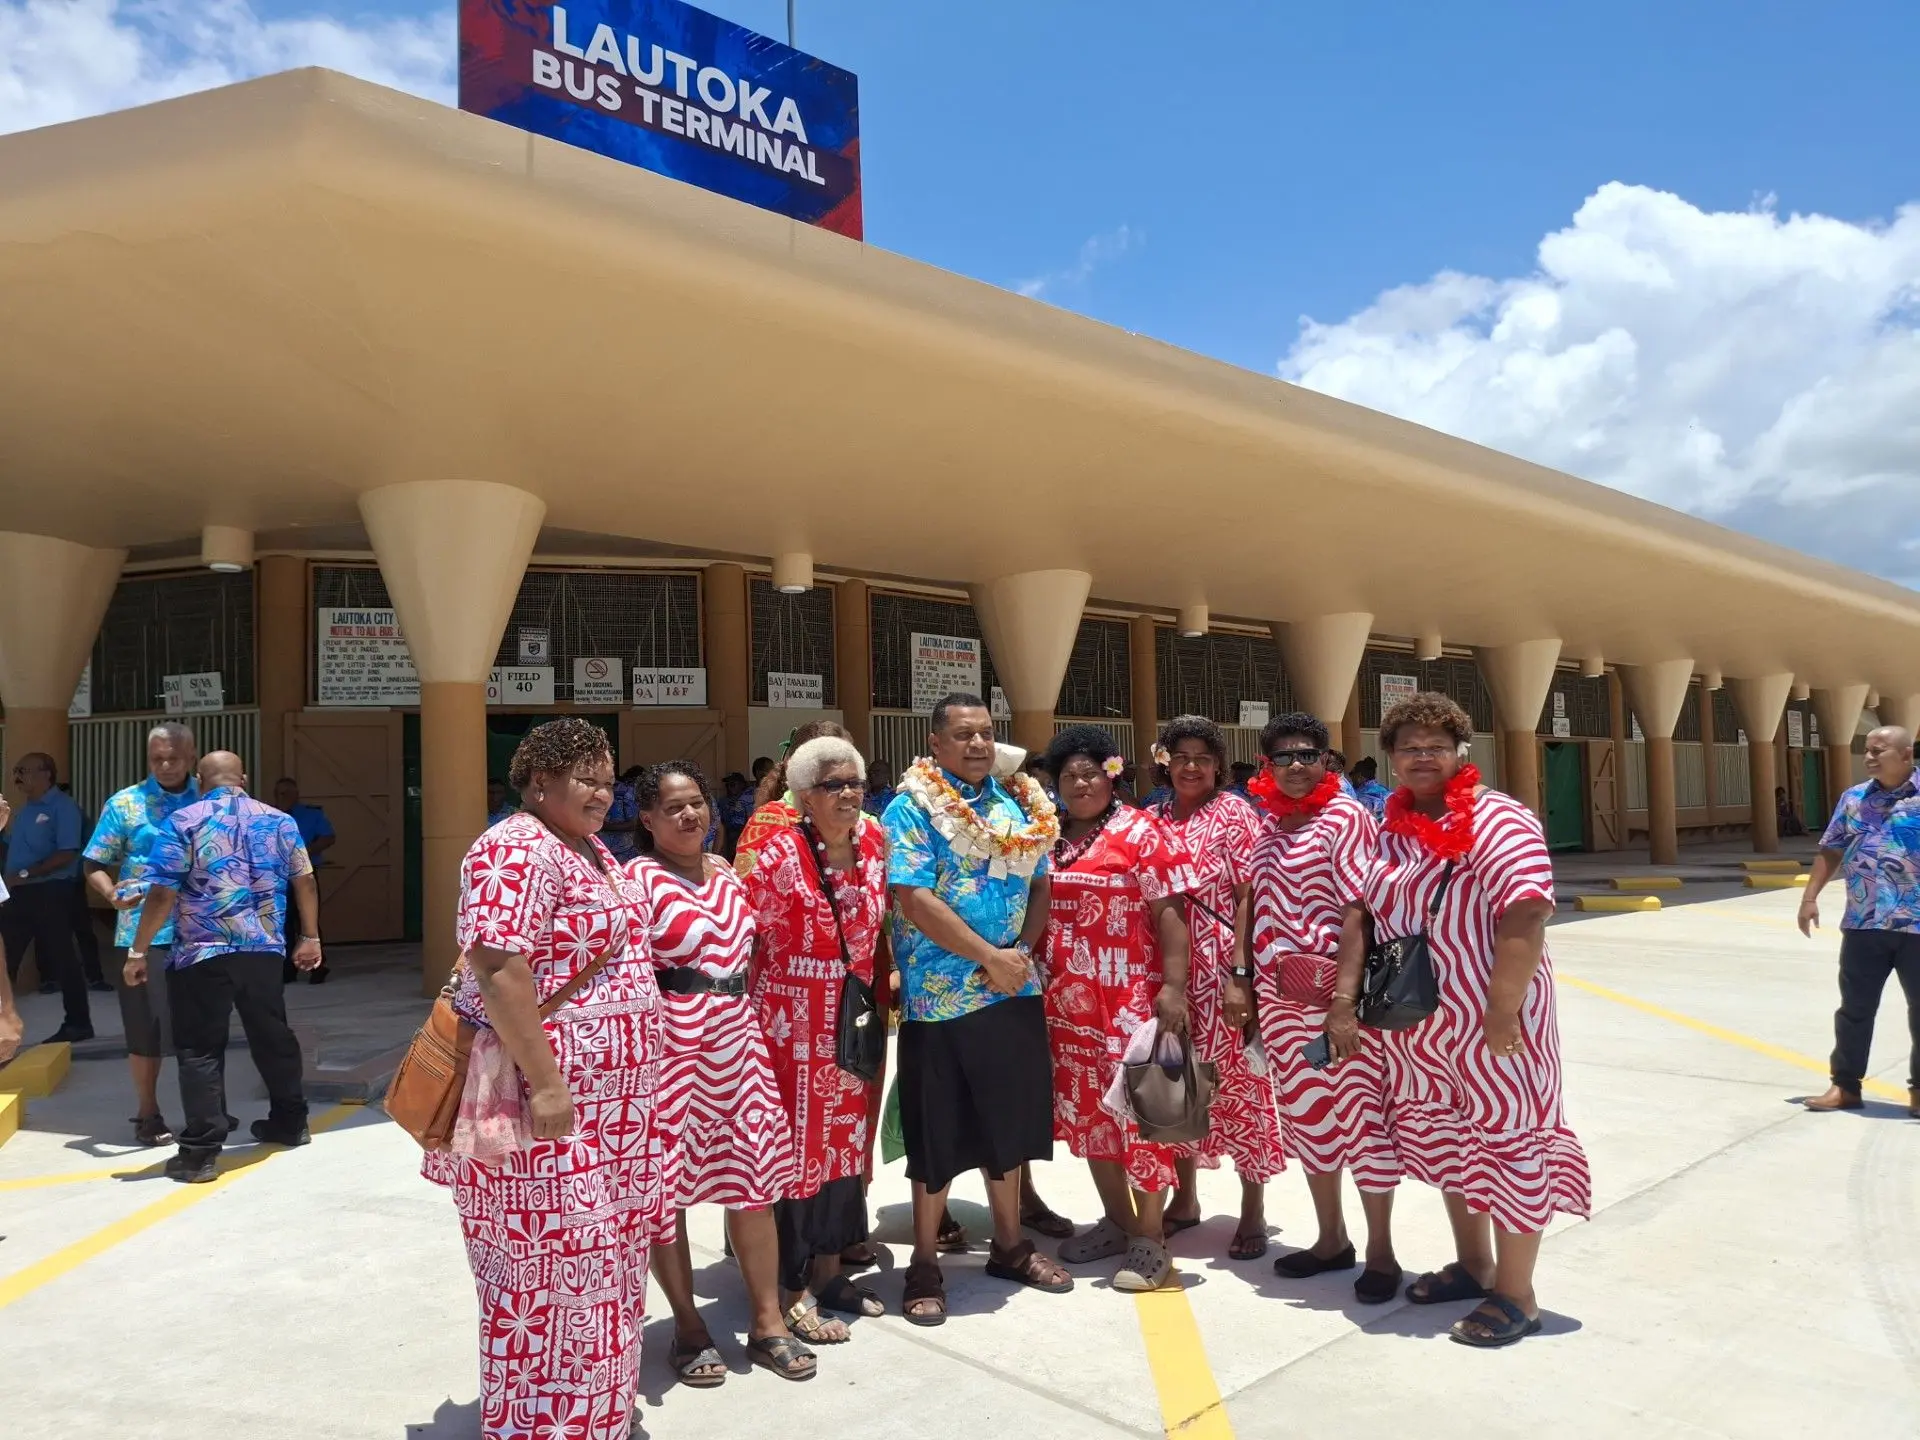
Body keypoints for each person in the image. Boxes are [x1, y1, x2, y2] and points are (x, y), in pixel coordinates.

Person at [421, 718, 668, 1440]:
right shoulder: (512, 849)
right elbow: (499, 969)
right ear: (539, 782)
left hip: (611, 1120)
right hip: (541, 1110)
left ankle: (599, 1413)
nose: (603, 790)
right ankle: (546, 1424)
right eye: (586, 776)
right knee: (549, 1273)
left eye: (607, 775)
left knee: (605, 1266)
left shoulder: (589, 849)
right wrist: (551, 1083)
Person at [1366, 692, 1589, 1347]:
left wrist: (1502, 1009)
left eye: (1437, 744)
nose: (1422, 755)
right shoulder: (1393, 826)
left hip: (1493, 1022)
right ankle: (1473, 1263)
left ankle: (1517, 1294)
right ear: (1393, 758)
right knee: (1453, 1142)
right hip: (1423, 1026)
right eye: (1409, 746)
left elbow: (1526, 911)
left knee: (1510, 1141)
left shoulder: (1498, 819)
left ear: (1463, 750)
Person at [885, 693, 1074, 1323]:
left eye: (987, 734)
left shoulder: (1016, 804)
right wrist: (985, 956)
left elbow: (1040, 879)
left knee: (1008, 1124)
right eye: (963, 735)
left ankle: (1011, 1244)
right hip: (940, 1000)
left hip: (1011, 989)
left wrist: (1017, 951)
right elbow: (912, 896)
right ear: (936, 744)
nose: (977, 745)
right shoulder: (912, 808)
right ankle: (924, 1262)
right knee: (937, 1133)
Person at [626, 761, 813, 1384]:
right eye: (673, 807)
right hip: (669, 1050)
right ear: (647, 819)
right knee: (666, 1195)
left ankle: (767, 1324)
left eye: (697, 803)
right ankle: (689, 1326)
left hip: (739, 1041)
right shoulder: (634, 882)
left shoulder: (728, 873)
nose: (690, 815)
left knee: (753, 1186)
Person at [1239, 712, 1402, 1301]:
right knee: (1310, 1122)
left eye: (1307, 755)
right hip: (1281, 1002)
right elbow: (1256, 910)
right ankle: (1330, 1238)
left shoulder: (1346, 818)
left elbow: (1360, 911)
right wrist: (1249, 988)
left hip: (1336, 1001)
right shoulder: (1270, 826)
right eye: (1282, 757)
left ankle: (1381, 1251)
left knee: (1361, 1122)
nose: (1296, 766)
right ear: (1267, 766)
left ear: (1327, 760)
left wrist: (1343, 1002)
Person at [743, 737, 893, 1346]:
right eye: (834, 785)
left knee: (845, 1143)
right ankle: (792, 1286)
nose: (850, 794)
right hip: (791, 1017)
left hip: (852, 1012)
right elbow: (752, 941)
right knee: (800, 1146)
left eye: (855, 782)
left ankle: (831, 1273)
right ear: (806, 797)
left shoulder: (875, 844)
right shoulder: (778, 854)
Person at [1041, 725, 1193, 1292]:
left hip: (1129, 997)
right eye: (1067, 776)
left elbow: (1171, 911)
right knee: (1090, 1116)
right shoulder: (1051, 836)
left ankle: (1150, 1238)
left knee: (1143, 1115)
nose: (1079, 784)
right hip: (1068, 1004)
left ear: (1112, 774)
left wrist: (1173, 988)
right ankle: (1116, 1220)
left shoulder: (1141, 830)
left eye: (1089, 773)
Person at [124, 752, 319, 1183]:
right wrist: (310, 936)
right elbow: (304, 878)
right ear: (244, 778)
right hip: (263, 949)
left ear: (199, 780)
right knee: (272, 1035)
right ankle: (290, 1122)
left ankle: (200, 1152)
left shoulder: (184, 820)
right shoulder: (279, 820)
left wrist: (138, 951)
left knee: (199, 1048)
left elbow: (162, 893)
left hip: (201, 953)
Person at [1147, 716, 1283, 1261]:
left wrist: (1240, 974)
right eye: (1181, 756)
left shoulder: (1234, 814)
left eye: (1202, 757)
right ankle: (1185, 1200)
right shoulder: (1152, 815)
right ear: (1166, 761)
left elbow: (1249, 896)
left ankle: (1252, 1209)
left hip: (1222, 967)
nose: (1191, 766)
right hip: (1170, 973)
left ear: (1218, 765)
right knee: (1177, 1084)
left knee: (1242, 1089)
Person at [82, 722, 201, 1145]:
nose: (166, 765)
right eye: (157, 758)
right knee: (145, 1030)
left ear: (190, 757)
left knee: (202, 1027)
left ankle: (207, 1112)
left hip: (204, 933)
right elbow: (94, 862)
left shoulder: (209, 801)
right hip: (141, 937)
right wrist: (111, 894)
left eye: (174, 757)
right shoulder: (126, 804)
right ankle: (148, 1113)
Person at [1798, 725, 1920, 1119]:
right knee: (1854, 1009)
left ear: (1905, 756)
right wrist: (1810, 896)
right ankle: (1845, 1087)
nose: (1868, 757)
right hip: (1864, 922)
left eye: (1878, 751)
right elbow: (1831, 849)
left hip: (1917, 925)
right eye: (1866, 750)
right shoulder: (1854, 798)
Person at [1, 751, 93, 1043]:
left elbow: (67, 853)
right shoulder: (25, 809)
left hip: (50, 891)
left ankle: (78, 1023)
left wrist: (26, 874)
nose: (18, 776)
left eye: (24, 770)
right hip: (19, 895)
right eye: (17, 770)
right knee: (6, 956)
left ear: (46, 774)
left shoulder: (63, 808)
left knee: (62, 958)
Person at [271, 777, 336, 984]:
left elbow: (328, 837)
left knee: (308, 919)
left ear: (296, 794)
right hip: (278, 875)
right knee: (284, 921)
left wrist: (306, 852)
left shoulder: (311, 814)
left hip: (305, 871)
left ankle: (318, 966)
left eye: (288, 793)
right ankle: (288, 969)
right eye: (280, 793)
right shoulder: (269, 815)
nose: (284, 797)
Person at [600, 765, 644, 864]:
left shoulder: (626, 792)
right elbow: (635, 823)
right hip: (613, 851)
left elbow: (635, 823)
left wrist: (605, 826)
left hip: (618, 852)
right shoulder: (629, 792)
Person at [718, 771, 756, 853]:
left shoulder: (750, 798)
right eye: (727, 785)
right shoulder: (723, 801)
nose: (729, 787)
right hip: (728, 836)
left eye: (732, 784)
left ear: (742, 785)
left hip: (746, 834)